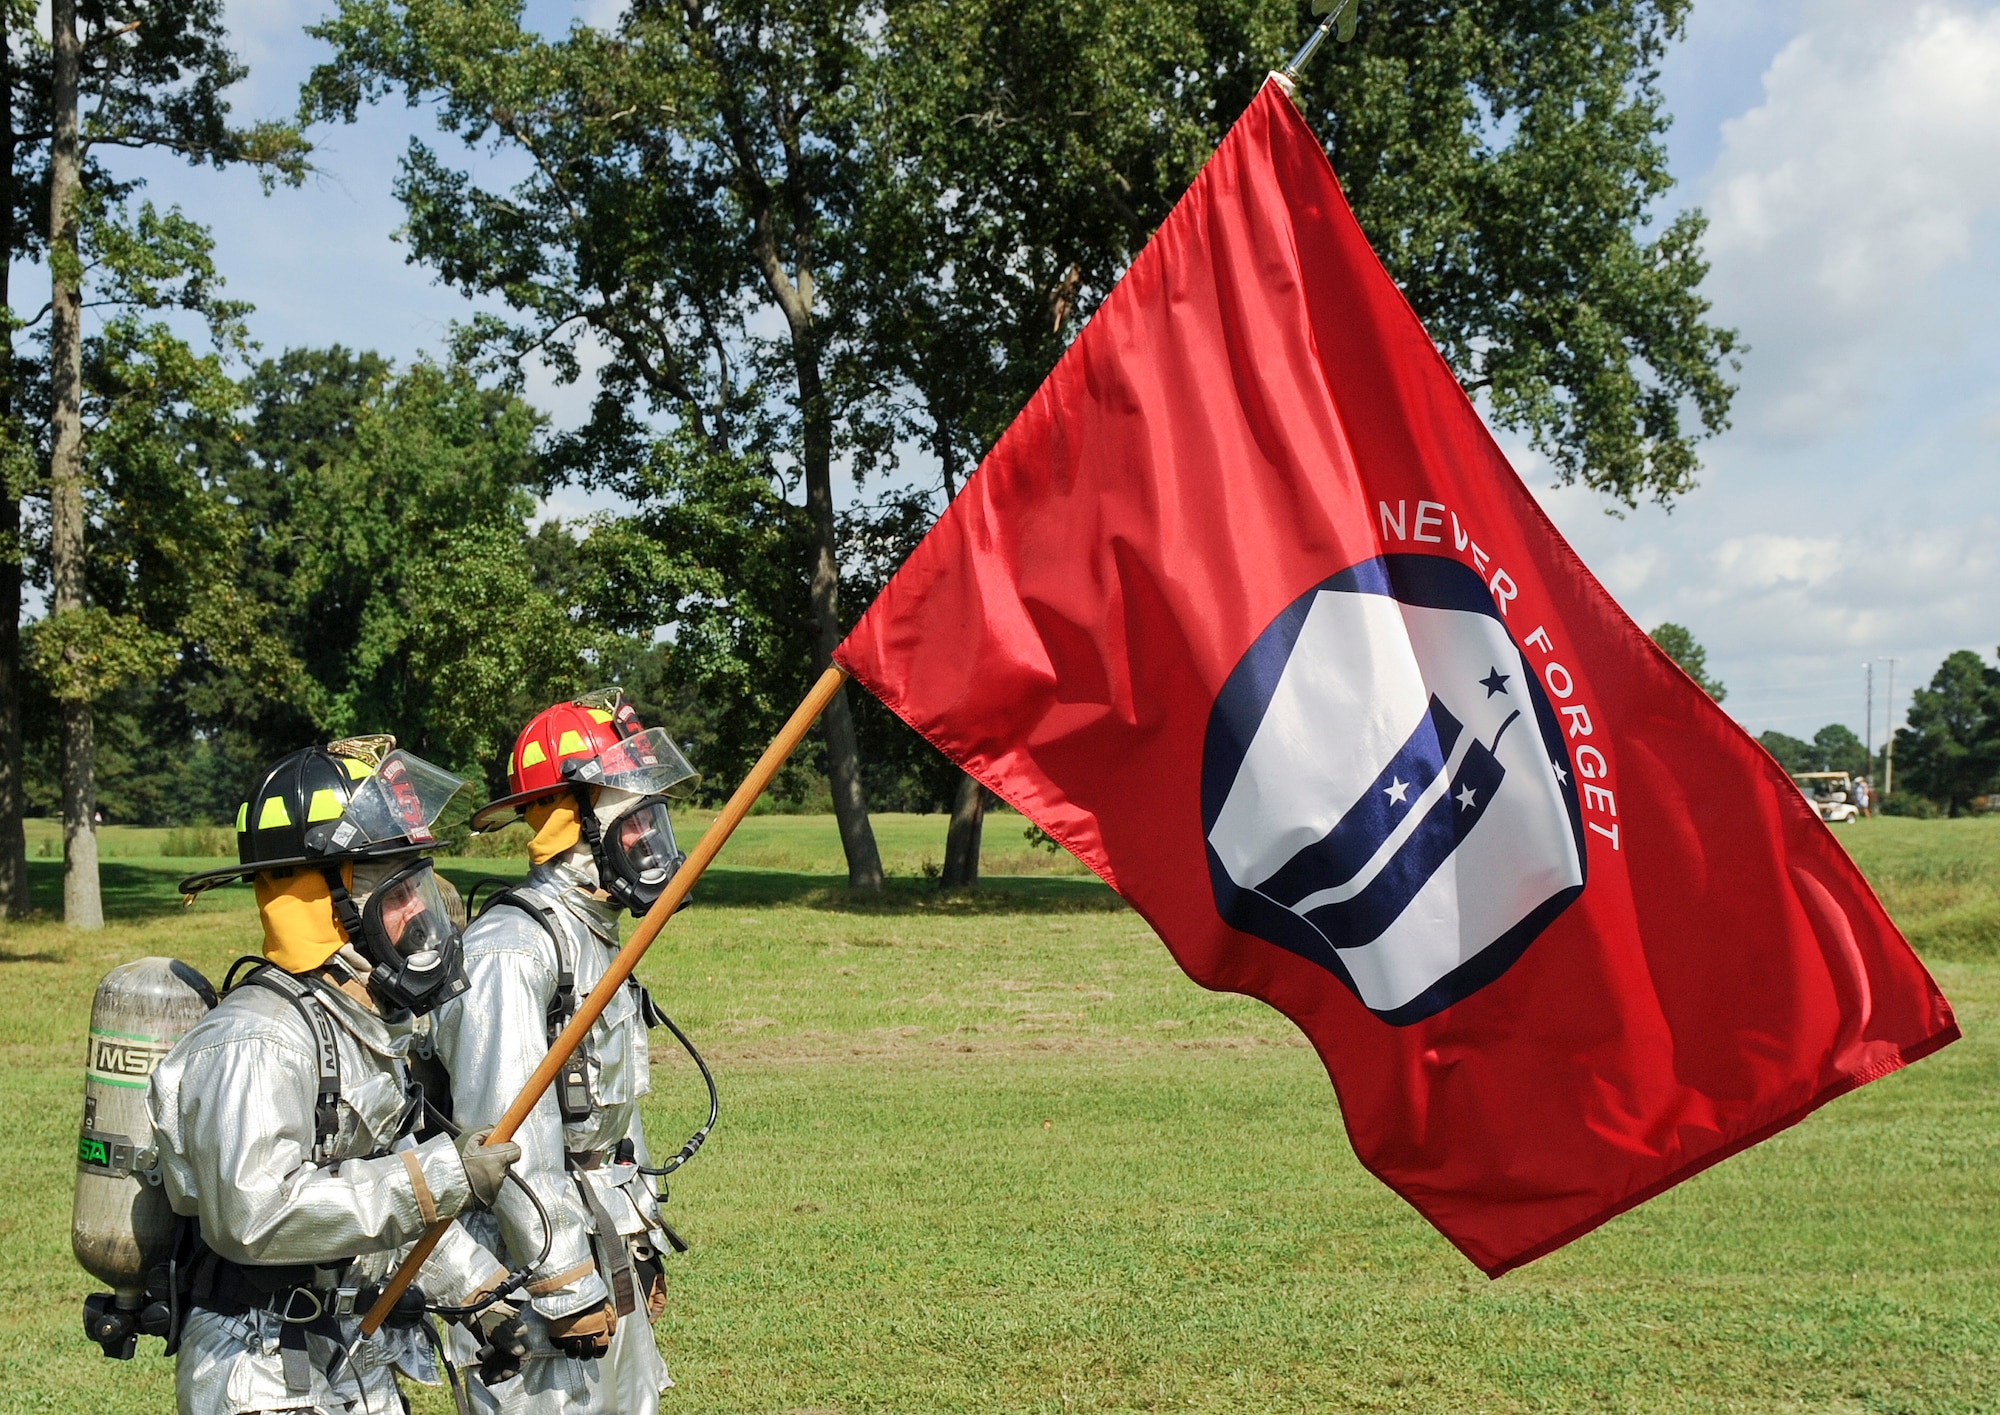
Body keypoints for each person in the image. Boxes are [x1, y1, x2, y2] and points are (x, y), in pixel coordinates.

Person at [152, 737, 525, 1414]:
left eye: (418, 887)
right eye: (396, 891)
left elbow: (381, 1187)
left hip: (351, 1347)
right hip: (257, 1361)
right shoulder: (257, 1039)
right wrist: (441, 1177)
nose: (419, 913)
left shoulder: (359, 1022)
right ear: (326, 905)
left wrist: (478, 1291)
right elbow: (254, 1215)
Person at [430, 690, 698, 1412]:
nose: (652, 843)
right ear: (568, 823)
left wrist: (641, 1234)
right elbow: (507, 1138)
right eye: (634, 823)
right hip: (530, 1274)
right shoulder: (512, 951)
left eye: (654, 821)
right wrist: (566, 1285)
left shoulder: (595, 932)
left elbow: (613, 1112)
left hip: (601, 1237)